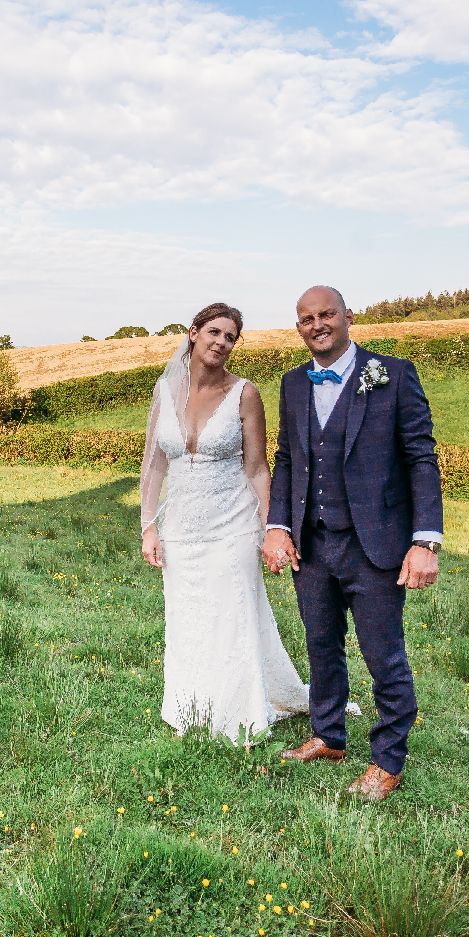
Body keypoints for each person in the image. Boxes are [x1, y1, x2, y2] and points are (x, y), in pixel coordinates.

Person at [261, 285, 442, 802]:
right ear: (298, 327)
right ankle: (328, 736)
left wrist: (425, 540)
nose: (316, 325)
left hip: (375, 545)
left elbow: (420, 458)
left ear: (348, 317)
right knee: (321, 646)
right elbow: (287, 458)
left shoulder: (394, 375)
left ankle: (388, 760)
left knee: (383, 655)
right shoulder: (292, 383)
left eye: (326, 314)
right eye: (306, 318)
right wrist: (277, 526)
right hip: (312, 545)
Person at [141, 302, 309, 744]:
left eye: (230, 337)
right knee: (188, 619)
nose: (221, 342)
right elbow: (154, 465)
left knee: (232, 617)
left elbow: (257, 468)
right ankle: (191, 707)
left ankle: (240, 714)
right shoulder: (165, 392)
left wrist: (274, 529)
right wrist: (148, 525)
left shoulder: (244, 393)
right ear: (193, 332)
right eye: (214, 332)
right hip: (181, 530)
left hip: (233, 524)